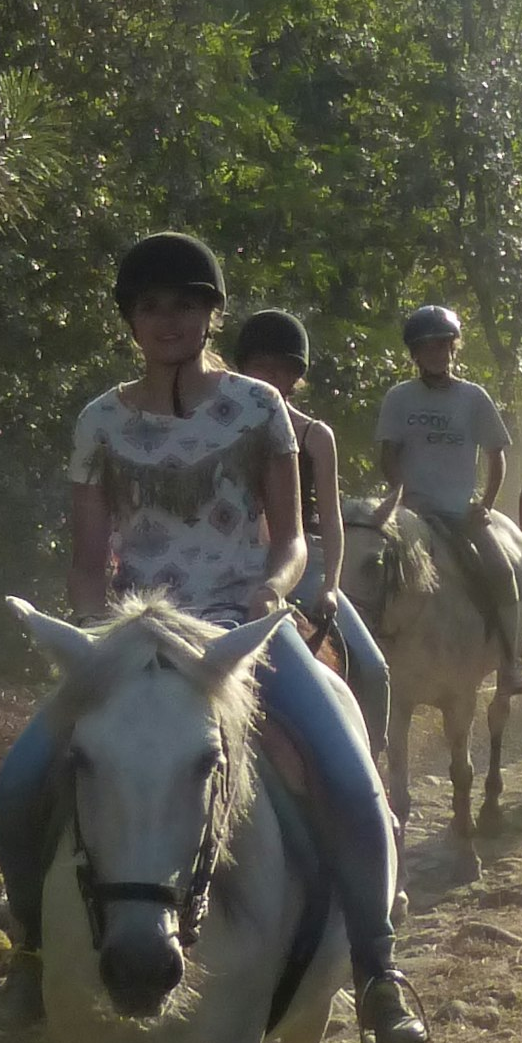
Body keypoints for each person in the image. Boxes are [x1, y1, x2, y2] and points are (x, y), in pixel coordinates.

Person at [0, 232, 427, 1043]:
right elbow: (88, 562)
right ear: (129, 318)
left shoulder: (258, 409)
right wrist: (98, 631)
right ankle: (33, 951)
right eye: (151, 306)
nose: (169, 320)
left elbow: (290, 540)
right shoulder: (100, 421)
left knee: (345, 770)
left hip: (238, 629)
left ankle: (376, 965)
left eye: (186, 304)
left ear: (210, 313)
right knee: (18, 784)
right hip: (133, 639)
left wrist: (273, 585)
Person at [226, 305, 392, 752]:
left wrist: (333, 584)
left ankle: (372, 767)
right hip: (235, 564)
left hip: (305, 563)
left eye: (282, 370)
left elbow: (332, 518)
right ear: (242, 369)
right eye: (261, 368)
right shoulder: (218, 431)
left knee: (373, 669)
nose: (270, 379)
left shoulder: (314, 436)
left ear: (295, 376)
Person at [373, 304, 522, 681]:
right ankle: (372, 661)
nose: (437, 354)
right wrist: (401, 497)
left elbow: (497, 456)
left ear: (454, 349)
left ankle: (512, 661)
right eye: (428, 348)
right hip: (410, 513)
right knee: (372, 572)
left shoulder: (473, 397)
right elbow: (388, 455)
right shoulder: (400, 397)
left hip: (460, 512)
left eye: (444, 346)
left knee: (501, 568)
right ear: (415, 354)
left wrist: (485, 505)